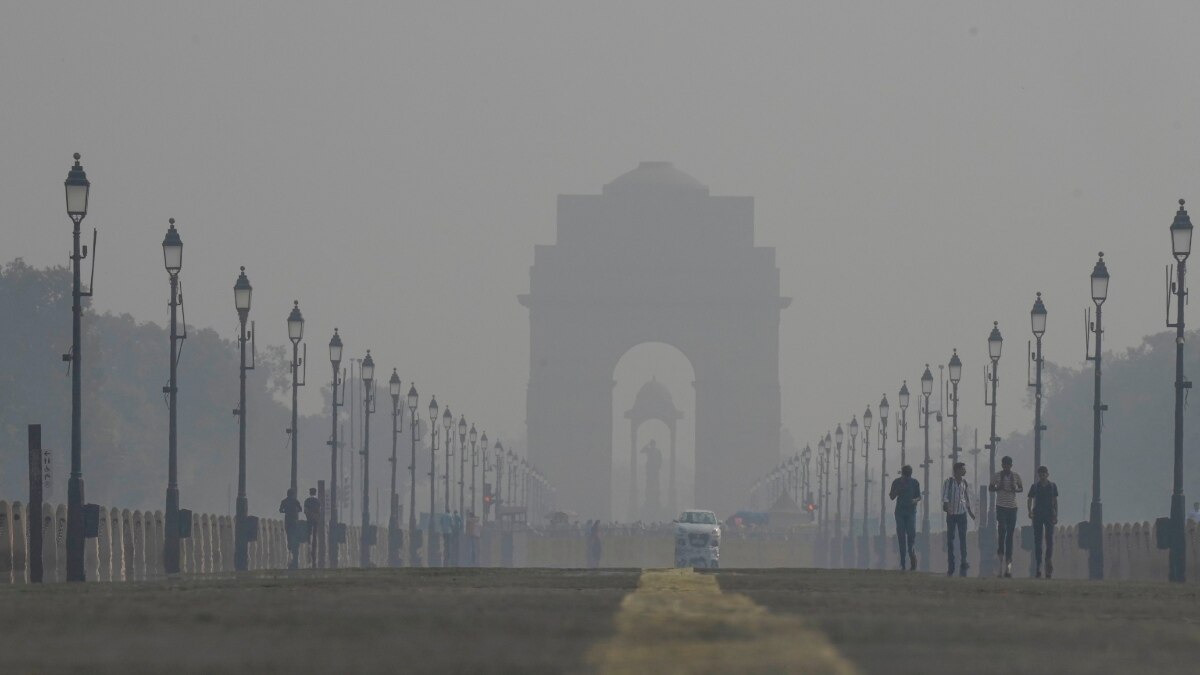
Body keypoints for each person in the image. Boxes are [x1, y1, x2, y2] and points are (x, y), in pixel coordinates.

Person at [988, 455, 1024, 578]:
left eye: (1008, 465)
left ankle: (1008, 564)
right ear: (1002, 465)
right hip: (1001, 506)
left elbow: (1021, 489)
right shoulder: (997, 476)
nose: (1006, 467)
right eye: (1004, 465)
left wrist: (1015, 489)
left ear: (1011, 465)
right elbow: (990, 487)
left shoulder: (1016, 476)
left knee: (1010, 535)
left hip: (1012, 507)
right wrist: (998, 487)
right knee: (1002, 531)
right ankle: (1000, 561)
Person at [942, 462, 976, 577]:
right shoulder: (949, 482)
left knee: (963, 538)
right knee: (950, 539)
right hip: (951, 514)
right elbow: (945, 496)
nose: (964, 471)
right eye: (962, 469)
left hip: (962, 514)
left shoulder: (964, 483)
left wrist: (970, 512)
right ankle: (951, 564)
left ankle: (964, 561)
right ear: (957, 470)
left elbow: (965, 498)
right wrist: (947, 507)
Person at [1027, 466, 1058, 579]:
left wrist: (1055, 515)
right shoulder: (1035, 487)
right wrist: (1029, 511)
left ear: (1047, 474)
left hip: (1049, 515)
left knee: (1049, 540)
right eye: (1041, 474)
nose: (1042, 475)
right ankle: (1039, 565)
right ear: (1038, 475)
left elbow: (1055, 501)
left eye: (1044, 473)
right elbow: (1030, 498)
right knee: (1038, 541)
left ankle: (1048, 561)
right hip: (1038, 515)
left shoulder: (1052, 486)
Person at [889, 465, 921, 571]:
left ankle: (912, 556)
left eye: (908, 475)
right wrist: (898, 490)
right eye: (906, 475)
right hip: (900, 513)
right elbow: (891, 496)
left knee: (911, 535)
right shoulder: (897, 482)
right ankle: (903, 563)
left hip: (911, 512)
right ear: (902, 474)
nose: (907, 477)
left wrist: (914, 500)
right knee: (901, 537)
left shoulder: (915, 482)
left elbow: (919, 496)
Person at [278, 488, 303, 570]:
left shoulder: (284, 501)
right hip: (294, 521)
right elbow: (300, 509)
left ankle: (290, 548)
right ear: (293, 494)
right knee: (294, 536)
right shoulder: (295, 501)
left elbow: (280, 510)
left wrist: (286, 511)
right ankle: (294, 553)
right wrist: (295, 510)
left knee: (288, 535)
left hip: (288, 521)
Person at [303, 488, 322, 568]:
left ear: (309, 492)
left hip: (309, 519)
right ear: (315, 492)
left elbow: (305, 510)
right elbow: (319, 511)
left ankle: (309, 545)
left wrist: (308, 516)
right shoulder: (318, 501)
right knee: (315, 534)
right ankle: (314, 546)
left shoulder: (307, 501)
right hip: (316, 520)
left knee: (309, 533)